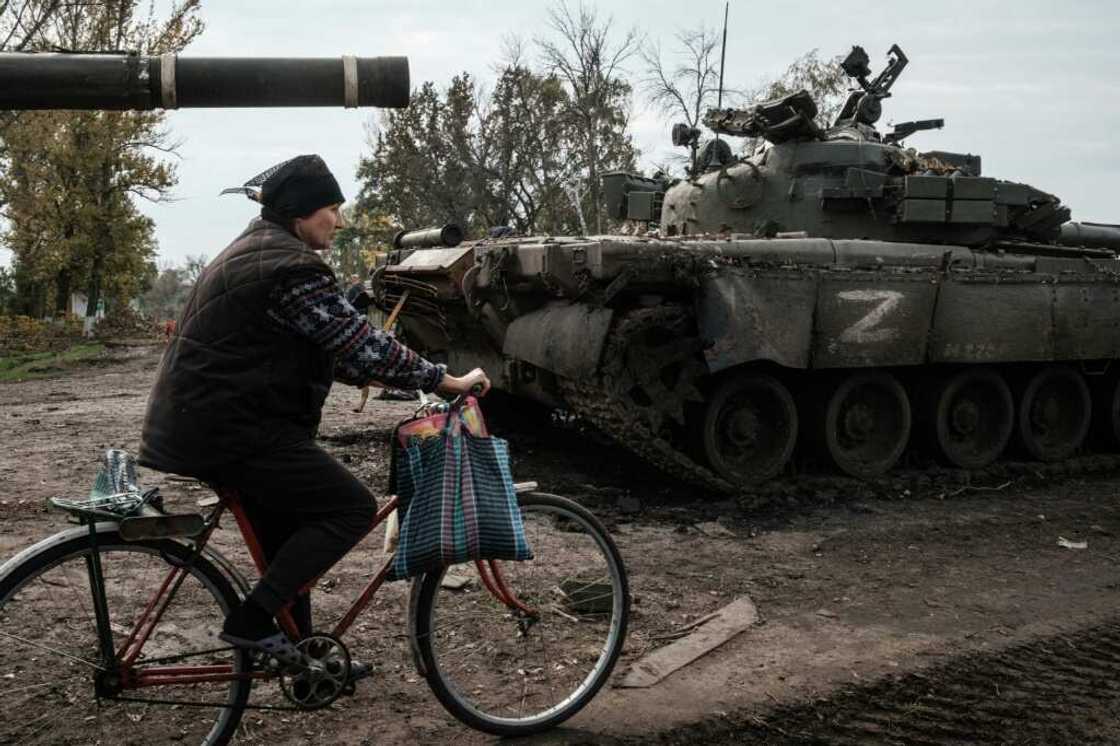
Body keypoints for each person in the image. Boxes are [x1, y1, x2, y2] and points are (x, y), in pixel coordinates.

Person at [138, 154, 489, 668]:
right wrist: (445, 378)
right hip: (233, 431)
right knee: (350, 509)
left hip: (206, 424)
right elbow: (360, 344)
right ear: (301, 212)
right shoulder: (292, 266)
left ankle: (302, 662)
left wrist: (365, 368)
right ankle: (251, 623)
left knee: (290, 539)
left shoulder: (255, 251)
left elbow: (320, 346)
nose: (340, 222)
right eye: (332, 208)